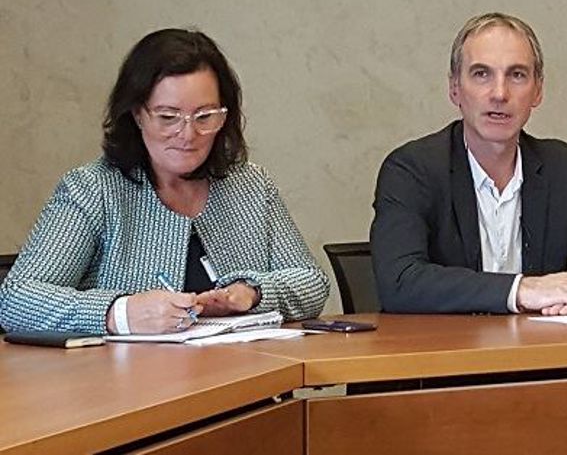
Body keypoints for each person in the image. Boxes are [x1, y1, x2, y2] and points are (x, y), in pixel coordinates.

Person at [0, 29, 329, 334]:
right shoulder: (92, 190)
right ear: (137, 114)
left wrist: (253, 293)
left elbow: (312, 284)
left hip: (248, 379)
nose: (188, 135)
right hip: (130, 389)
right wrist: (121, 313)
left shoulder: (250, 184)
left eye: (205, 116)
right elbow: (15, 300)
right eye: (168, 117)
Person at [371, 12, 567, 315]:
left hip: (540, 355)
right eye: (481, 74)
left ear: (538, 90)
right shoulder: (412, 170)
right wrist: (522, 290)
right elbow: (400, 281)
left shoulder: (562, 168)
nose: (500, 94)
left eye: (517, 75)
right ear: (455, 88)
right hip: (448, 356)